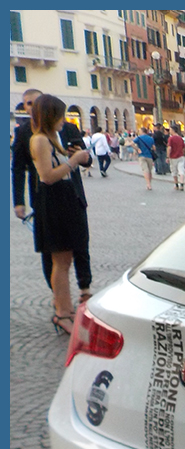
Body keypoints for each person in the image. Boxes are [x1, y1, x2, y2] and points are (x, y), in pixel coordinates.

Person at [12, 88, 93, 300]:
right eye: (27, 104)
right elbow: (19, 168)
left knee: (80, 245)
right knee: (54, 254)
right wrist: (18, 201)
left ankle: (84, 288)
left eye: (34, 103)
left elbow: (85, 157)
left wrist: (82, 158)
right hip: (47, 197)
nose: (30, 108)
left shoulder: (68, 128)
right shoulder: (27, 134)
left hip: (72, 194)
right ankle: (60, 298)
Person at [28, 94, 91, 335]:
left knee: (65, 260)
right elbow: (47, 176)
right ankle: (62, 312)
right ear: (50, 116)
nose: (64, 120)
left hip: (64, 200)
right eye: (61, 115)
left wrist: (73, 155)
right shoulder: (40, 140)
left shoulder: (52, 138)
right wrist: (73, 160)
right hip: (53, 201)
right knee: (60, 262)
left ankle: (65, 309)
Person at [167, 125, 185, 191]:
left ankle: (176, 184)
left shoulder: (171, 138)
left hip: (173, 157)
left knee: (174, 171)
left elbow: (169, 148)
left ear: (173, 130)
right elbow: (183, 147)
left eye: (170, 130)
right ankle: (182, 183)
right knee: (181, 170)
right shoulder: (180, 138)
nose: (169, 131)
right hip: (181, 156)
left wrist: (167, 156)